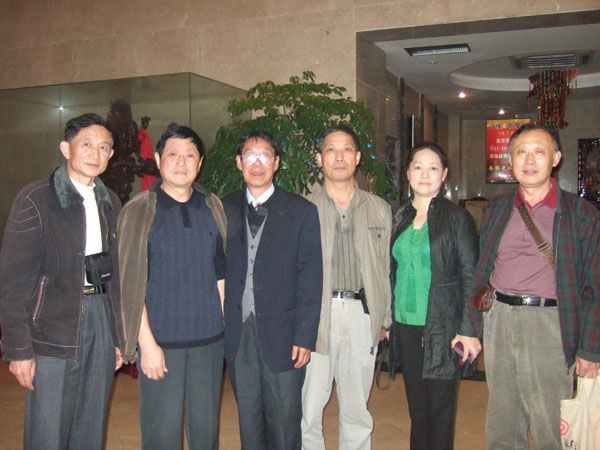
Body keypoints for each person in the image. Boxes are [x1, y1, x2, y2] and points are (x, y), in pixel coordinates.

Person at [469, 124, 600, 450]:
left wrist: (590, 349)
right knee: (502, 418)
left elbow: (595, 285)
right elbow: (481, 271)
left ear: (555, 158)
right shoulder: (497, 209)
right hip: (499, 318)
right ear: (510, 160)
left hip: (551, 323)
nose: (529, 160)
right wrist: (471, 326)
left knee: (550, 423)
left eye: (539, 152)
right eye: (521, 152)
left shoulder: (580, 213)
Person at [0, 113, 124, 450]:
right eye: (87, 145)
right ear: (65, 148)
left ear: (111, 155)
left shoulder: (110, 202)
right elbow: (13, 281)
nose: (96, 154)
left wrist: (117, 337)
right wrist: (18, 349)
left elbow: (114, 275)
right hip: (52, 326)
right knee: (48, 427)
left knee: (91, 421)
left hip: (99, 317)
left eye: (104, 147)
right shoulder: (37, 199)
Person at [117, 123, 227, 450]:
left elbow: (221, 274)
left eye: (189, 155)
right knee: (161, 434)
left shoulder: (212, 206)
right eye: (173, 154)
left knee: (206, 432)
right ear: (158, 159)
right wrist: (146, 344)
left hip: (210, 343)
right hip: (161, 344)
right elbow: (129, 284)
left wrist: (226, 330)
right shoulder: (139, 210)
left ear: (200, 162)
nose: (181, 162)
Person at [223, 131, 323, 450]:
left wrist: (304, 336)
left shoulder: (301, 211)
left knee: (284, 421)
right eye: (249, 155)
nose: (257, 162)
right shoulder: (222, 208)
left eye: (264, 155)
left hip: (284, 334)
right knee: (249, 420)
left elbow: (311, 278)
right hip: (238, 333)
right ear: (239, 162)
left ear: (276, 163)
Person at [301, 125, 392, 450]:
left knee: (356, 409)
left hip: (361, 315)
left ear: (357, 157)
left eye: (346, 150)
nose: (339, 157)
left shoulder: (379, 207)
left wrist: (384, 319)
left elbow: (385, 268)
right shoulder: (303, 208)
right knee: (309, 407)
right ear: (319, 158)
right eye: (331, 150)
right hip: (315, 315)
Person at [390, 142, 480, 450]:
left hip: (443, 327)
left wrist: (469, 329)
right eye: (418, 167)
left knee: (440, 413)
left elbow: (471, 276)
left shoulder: (457, 218)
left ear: (444, 175)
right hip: (406, 324)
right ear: (408, 173)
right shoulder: (400, 215)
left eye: (433, 168)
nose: (425, 174)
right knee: (417, 411)